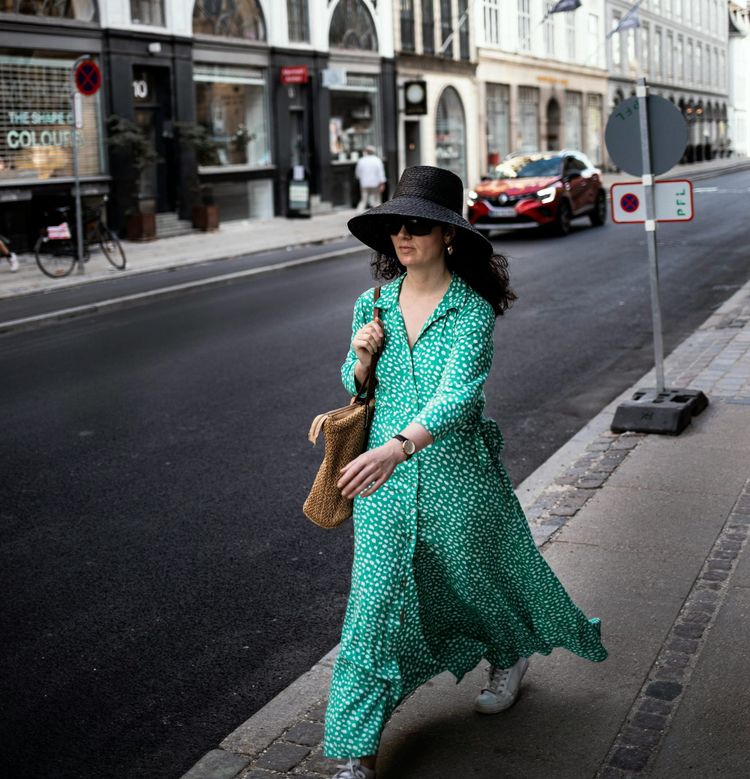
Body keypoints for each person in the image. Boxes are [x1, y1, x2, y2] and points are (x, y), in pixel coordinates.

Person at [324, 166, 607, 779]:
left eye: (418, 225)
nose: (404, 235)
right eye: (396, 224)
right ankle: (354, 754)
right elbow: (354, 387)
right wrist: (362, 356)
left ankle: (509, 654)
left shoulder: (471, 311)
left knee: (474, 581)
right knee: (372, 608)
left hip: (454, 473)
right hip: (382, 482)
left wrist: (399, 446)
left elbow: (459, 398)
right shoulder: (369, 303)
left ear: (448, 235)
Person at [354, 146, 386, 211]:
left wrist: (359, 178)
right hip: (375, 183)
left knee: (364, 200)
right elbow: (380, 172)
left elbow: (358, 172)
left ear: (366, 152)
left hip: (364, 183)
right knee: (376, 200)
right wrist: (382, 183)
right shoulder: (377, 160)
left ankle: (358, 213)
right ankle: (378, 213)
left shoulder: (361, 160)